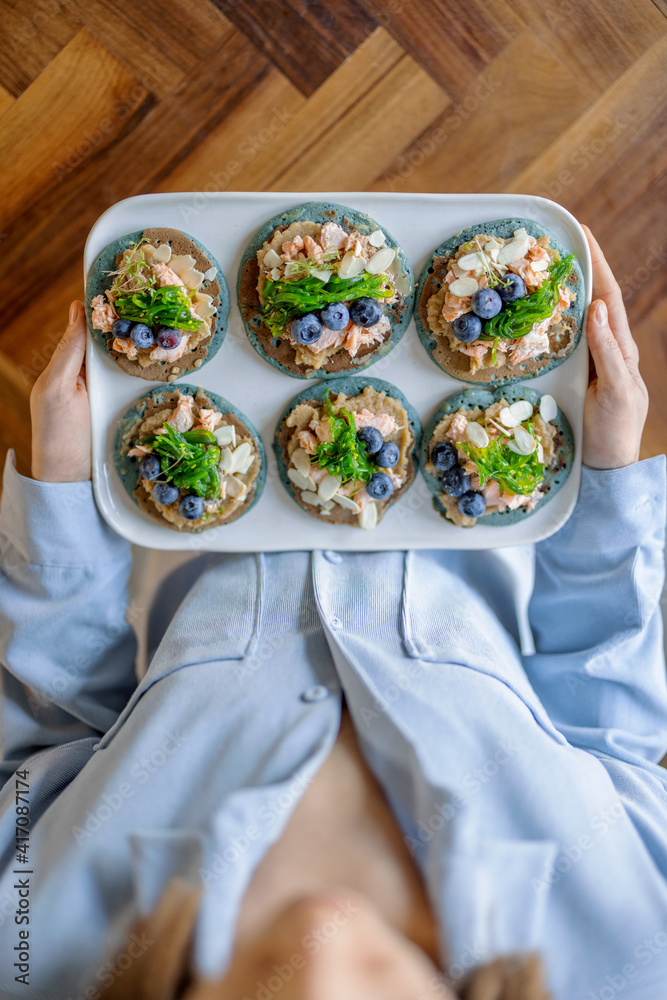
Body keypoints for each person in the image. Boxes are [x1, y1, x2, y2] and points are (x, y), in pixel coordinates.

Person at [0, 226, 664, 1000]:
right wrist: (608, 472)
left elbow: (48, 735)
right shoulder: (635, 956)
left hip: (185, 519)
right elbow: (610, 730)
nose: (320, 977)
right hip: (493, 517)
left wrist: (66, 488)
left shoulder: (30, 954)